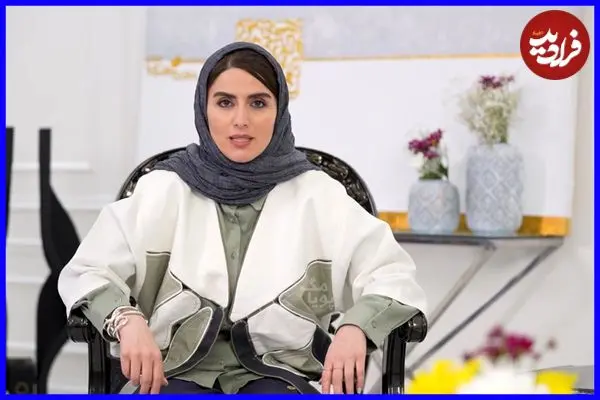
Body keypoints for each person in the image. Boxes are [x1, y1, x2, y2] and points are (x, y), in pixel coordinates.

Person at [57, 41, 427, 395]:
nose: (241, 120)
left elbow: (391, 273)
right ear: (204, 110)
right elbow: (89, 270)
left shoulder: (319, 194)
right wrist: (127, 320)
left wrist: (355, 328)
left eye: (258, 103)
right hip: (172, 372)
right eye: (224, 102)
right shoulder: (161, 189)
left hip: (282, 371)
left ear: (279, 111)